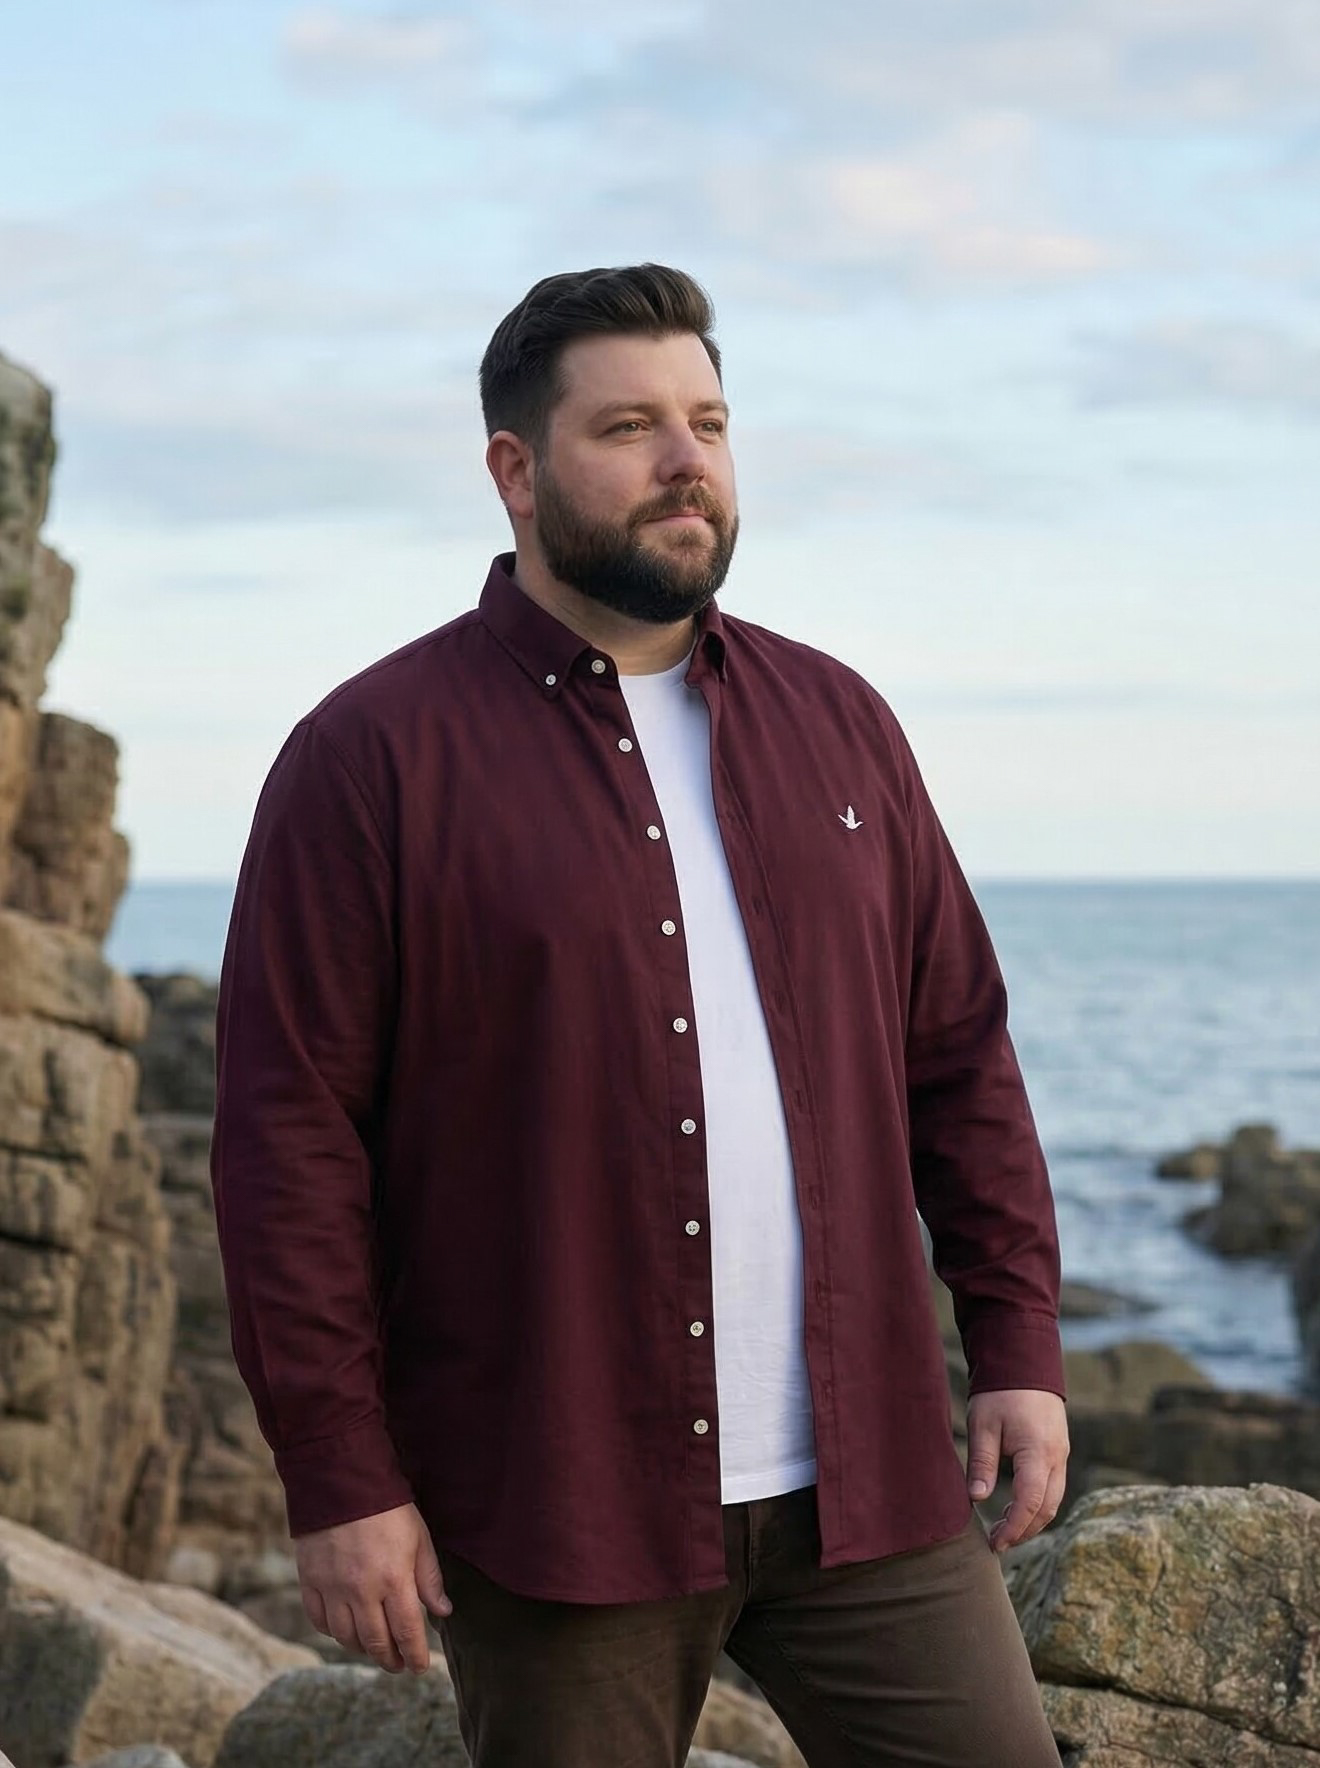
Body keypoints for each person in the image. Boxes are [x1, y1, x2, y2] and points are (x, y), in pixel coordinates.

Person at [211, 263, 1068, 1767]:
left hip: (869, 1480)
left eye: (709, 422)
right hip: (559, 1507)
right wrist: (342, 1477)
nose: (687, 461)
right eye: (629, 427)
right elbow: (290, 1145)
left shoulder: (842, 724)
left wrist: (1017, 1340)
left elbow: (958, 1056)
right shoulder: (369, 759)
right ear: (515, 471)